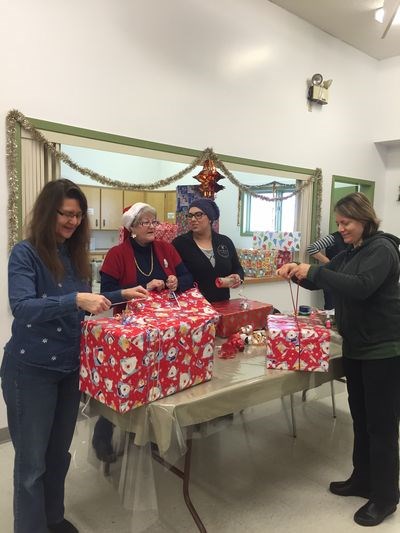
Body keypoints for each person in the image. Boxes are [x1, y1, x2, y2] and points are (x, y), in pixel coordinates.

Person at [0, 179, 148, 533]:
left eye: (78, 216)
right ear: (47, 213)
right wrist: (75, 300)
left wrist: (120, 293)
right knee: (32, 465)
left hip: (68, 369)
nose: (72, 222)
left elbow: (84, 302)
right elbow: (22, 307)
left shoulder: (73, 254)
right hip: (30, 372)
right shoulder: (25, 253)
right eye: (65, 214)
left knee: (58, 456)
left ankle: (52, 519)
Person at [277, 192, 400, 527]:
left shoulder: (382, 249)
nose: (340, 229)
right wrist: (301, 272)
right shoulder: (354, 250)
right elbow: (332, 273)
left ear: (363, 220)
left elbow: (360, 286)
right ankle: (363, 479)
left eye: (345, 223)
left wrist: (312, 272)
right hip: (359, 347)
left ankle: (386, 496)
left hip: (383, 351)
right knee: (361, 419)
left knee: (382, 426)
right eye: (339, 223)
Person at [92, 202, 193, 462]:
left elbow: (187, 278)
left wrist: (175, 282)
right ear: (132, 227)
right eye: (145, 222)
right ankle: (103, 434)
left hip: (163, 329)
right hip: (130, 333)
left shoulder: (166, 248)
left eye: (154, 221)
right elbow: (106, 295)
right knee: (124, 383)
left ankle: (151, 434)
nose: (152, 226)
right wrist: (142, 287)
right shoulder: (117, 253)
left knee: (157, 383)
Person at [172, 198, 244, 302]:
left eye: (198, 215)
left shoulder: (225, 242)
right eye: (190, 215)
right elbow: (173, 275)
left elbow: (237, 268)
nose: (193, 219)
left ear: (210, 218)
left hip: (222, 304)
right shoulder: (180, 244)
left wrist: (238, 277)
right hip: (193, 307)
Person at [306, 231, 347, 309]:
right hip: (331, 276)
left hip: (346, 277)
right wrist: (330, 262)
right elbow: (311, 248)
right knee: (331, 307)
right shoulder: (333, 238)